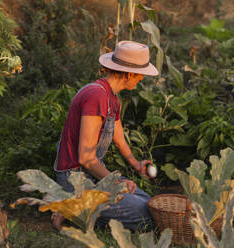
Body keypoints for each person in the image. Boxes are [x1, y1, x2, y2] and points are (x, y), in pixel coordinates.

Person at [52, 40, 159, 231]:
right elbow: (85, 158)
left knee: (147, 202)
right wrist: (116, 183)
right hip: (75, 180)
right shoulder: (96, 96)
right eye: (140, 74)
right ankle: (71, 206)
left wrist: (135, 164)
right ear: (129, 73)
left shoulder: (111, 97)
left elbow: (118, 138)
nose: (141, 79)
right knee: (146, 216)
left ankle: (79, 208)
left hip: (93, 177)